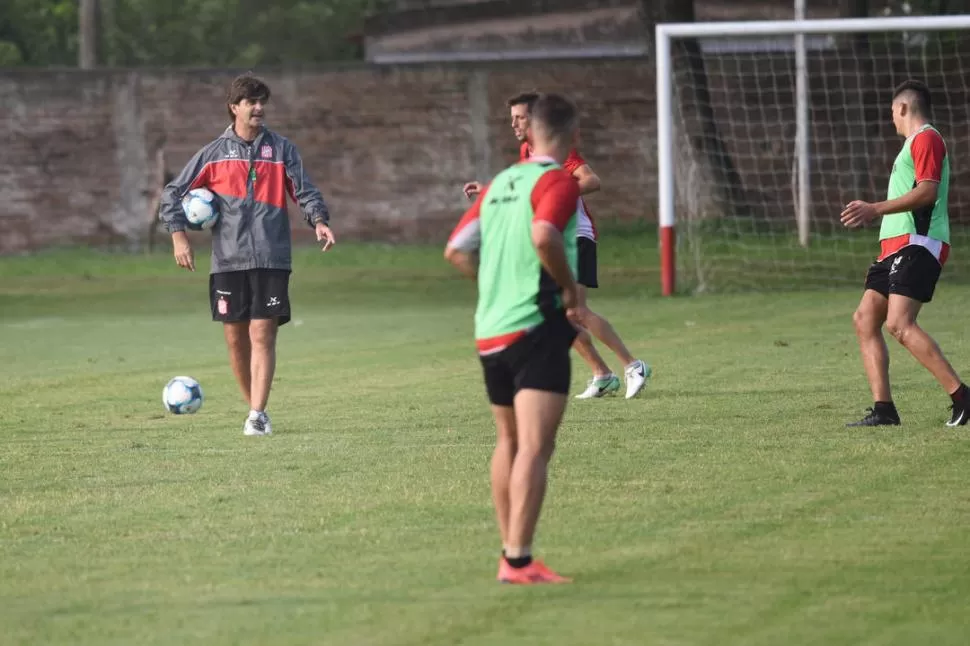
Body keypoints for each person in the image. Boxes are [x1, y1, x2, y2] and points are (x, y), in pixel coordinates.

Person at [445, 92, 585, 584]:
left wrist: (494, 286)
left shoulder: (501, 181)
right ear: (572, 134)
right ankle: (519, 560)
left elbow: (457, 250)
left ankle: (511, 553)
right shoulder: (558, 180)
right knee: (534, 447)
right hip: (536, 324)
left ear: (531, 129)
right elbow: (546, 235)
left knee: (507, 441)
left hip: (490, 328)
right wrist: (569, 290)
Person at [159, 73, 336, 436]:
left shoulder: (283, 150)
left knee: (262, 333)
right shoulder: (213, 155)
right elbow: (172, 194)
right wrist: (179, 237)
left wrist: (318, 220)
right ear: (234, 107)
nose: (259, 108)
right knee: (235, 338)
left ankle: (257, 413)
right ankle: (252, 409)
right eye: (251, 102)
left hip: (272, 256)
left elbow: (305, 191)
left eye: (262, 102)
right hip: (228, 258)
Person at [463, 91, 650, 401]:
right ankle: (602, 375)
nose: (514, 124)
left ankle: (634, 365)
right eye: (511, 119)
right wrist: (489, 191)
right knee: (557, 315)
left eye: (520, 117)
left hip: (576, 236)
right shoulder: (527, 152)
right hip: (553, 238)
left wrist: (558, 194)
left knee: (575, 309)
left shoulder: (557, 152)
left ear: (536, 119)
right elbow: (527, 192)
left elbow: (591, 180)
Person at [840, 79, 968, 427]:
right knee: (865, 319)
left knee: (899, 323)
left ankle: (962, 397)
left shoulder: (927, 137)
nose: (892, 119)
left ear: (903, 108)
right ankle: (884, 410)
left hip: (918, 243)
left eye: (892, 112)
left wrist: (875, 209)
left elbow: (927, 192)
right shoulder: (911, 145)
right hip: (894, 247)